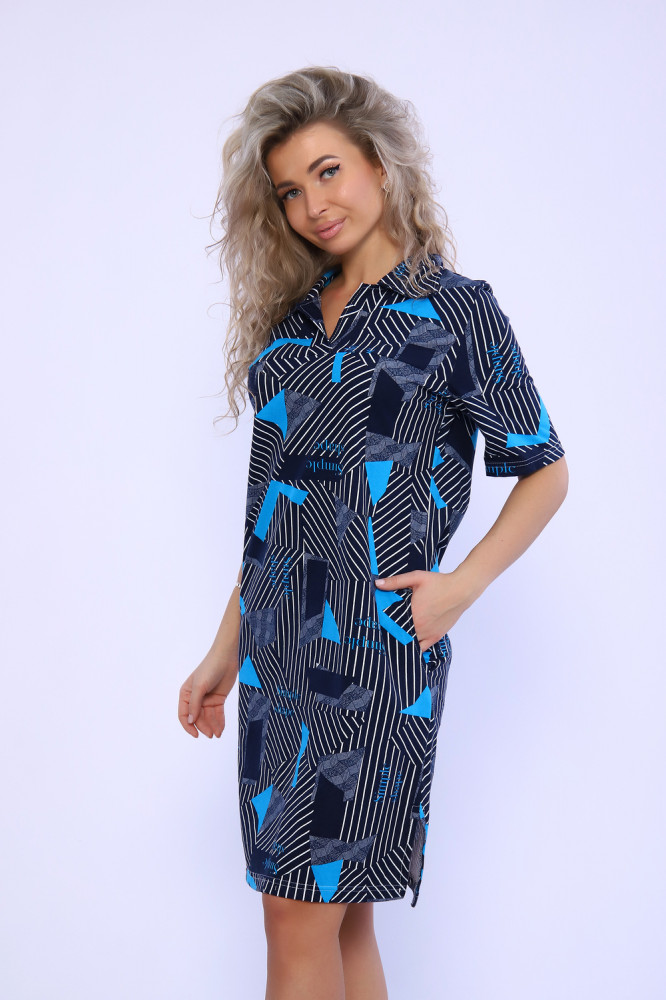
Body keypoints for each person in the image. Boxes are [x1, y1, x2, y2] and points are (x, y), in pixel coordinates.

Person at [178, 66, 568, 1000]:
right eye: (288, 191)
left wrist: (460, 588)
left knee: (294, 914)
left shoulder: (456, 312)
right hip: (276, 654)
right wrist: (224, 649)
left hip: (374, 650)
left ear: (381, 166)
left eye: (328, 172)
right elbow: (272, 514)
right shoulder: (288, 330)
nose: (312, 205)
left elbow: (544, 468)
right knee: (338, 917)